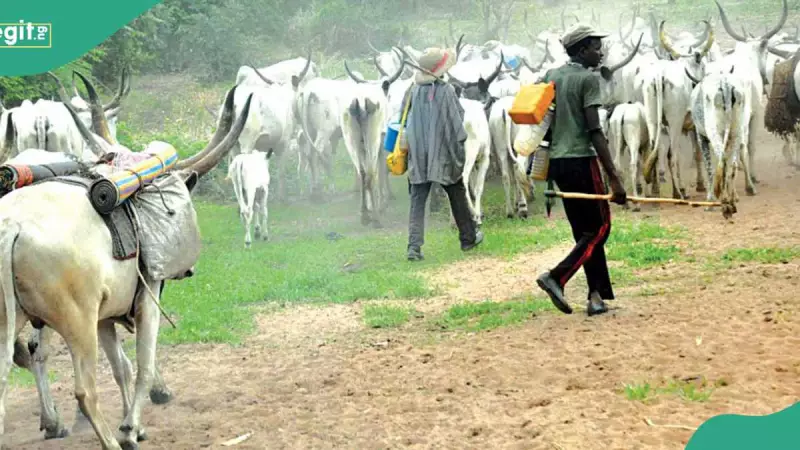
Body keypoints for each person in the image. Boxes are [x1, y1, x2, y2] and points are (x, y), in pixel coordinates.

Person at [534, 23, 627, 316]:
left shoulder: (552, 75)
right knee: (600, 227)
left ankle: (596, 296)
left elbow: (545, 122)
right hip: (582, 160)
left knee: (584, 232)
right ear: (583, 49)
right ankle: (557, 276)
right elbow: (595, 131)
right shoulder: (588, 79)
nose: (601, 53)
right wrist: (615, 178)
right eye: (596, 48)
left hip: (558, 163)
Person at [403, 46, 484, 261]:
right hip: (443, 153)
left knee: (418, 199)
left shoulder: (413, 91)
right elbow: (457, 121)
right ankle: (468, 238)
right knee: (456, 192)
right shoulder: (446, 90)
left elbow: (405, 119)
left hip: (418, 154)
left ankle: (413, 247)